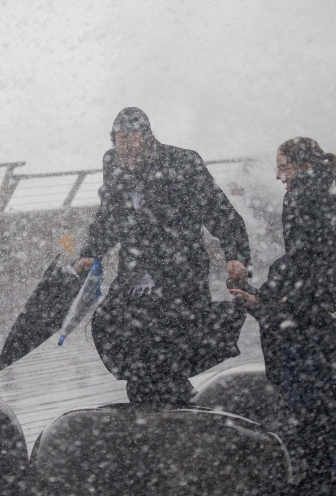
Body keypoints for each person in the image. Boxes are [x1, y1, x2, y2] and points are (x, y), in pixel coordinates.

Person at [229, 137, 336, 495]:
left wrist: (269, 301)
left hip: (316, 319)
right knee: (332, 402)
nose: (279, 176)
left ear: (302, 166)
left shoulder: (300, 197)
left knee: (310, 405)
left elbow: (302, 264)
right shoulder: (334, 196)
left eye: (283, 167)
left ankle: (320, 480)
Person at [74, 107, 251, 405]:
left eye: (130, 143)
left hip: (180, 267)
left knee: (168, 342)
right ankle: (153, 399)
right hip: (135, 268)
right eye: (118, 143)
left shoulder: (183, 161)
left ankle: (171, 402)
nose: (124, 153)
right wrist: (91, 252)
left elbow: (219, 211)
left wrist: (235, 254)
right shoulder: (113, 161)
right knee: (115, 325)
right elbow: (110, 215)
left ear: (146, 137)